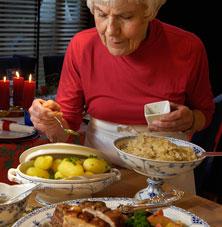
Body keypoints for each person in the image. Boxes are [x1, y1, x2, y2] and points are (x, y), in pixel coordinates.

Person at [29, 0, 215, 194]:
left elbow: (205, 113)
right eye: (101, 14)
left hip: (166, 173)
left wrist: (191, 119)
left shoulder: (187, 46)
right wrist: (51, 123)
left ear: (149, 13)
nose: (110, 30)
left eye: (125, 17)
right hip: (99, 171)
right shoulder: (82, 45)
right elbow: (66, 127)